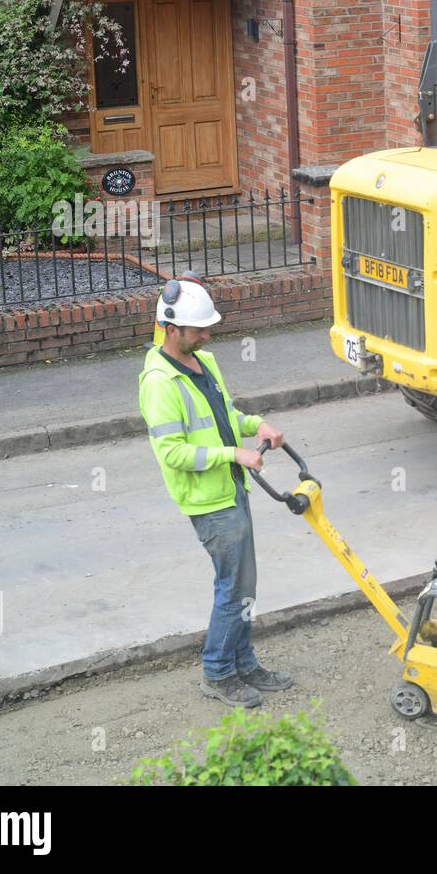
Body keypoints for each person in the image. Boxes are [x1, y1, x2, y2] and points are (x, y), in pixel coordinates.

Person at [138, 273, 292, 708]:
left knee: (245, 586)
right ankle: (218, 672)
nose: (207, 334)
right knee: (233, 588)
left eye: (208, 327)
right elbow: (172, 453)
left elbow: (225, 414)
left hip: (231, 488)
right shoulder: (159, 384)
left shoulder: (203, 362)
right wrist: (233, 455)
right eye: (199, 329)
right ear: (171, 329)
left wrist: (256, 425)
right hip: (208, 500)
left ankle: (244, 663)